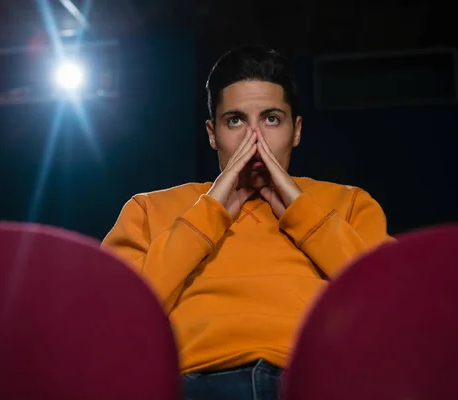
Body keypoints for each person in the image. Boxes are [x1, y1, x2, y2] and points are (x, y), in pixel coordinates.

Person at [102, 45, 392, 400]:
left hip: (321, 383)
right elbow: (111, 319)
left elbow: (392, 308)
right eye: (235, 121)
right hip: (192, 385)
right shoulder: (148, 209)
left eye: (271, 119)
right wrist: (210, 210)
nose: (254, 141)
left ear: (296, 131)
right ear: (212, 134)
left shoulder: (349, 204)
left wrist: (303, 210)